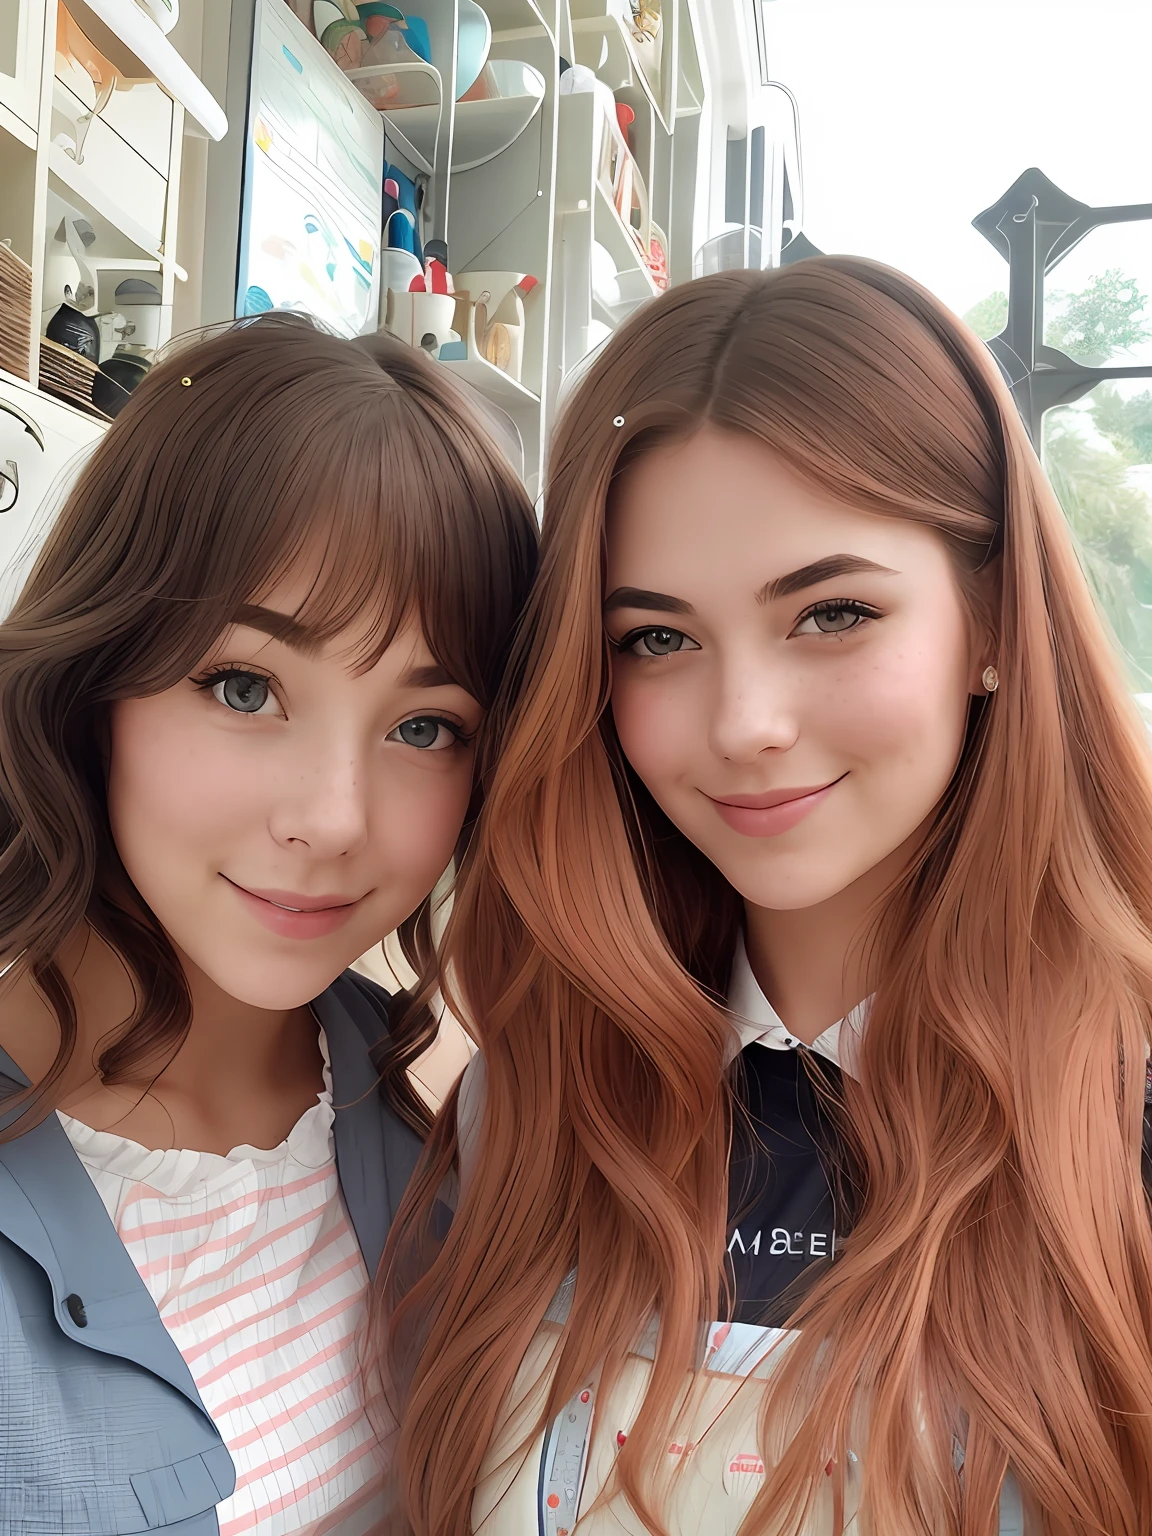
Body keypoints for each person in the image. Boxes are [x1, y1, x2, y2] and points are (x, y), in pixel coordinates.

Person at [380, 258, 1152, 1536]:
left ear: (995, 620)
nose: (744, 724)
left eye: (832, 612)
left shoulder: (1120, 1116)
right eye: (659, 640)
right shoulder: (532, 1100)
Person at [0, 315, 536, 1536]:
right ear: (100, 680)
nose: (330, 820)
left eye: (425, 726)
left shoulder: (443, 1125)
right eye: (244, 687)